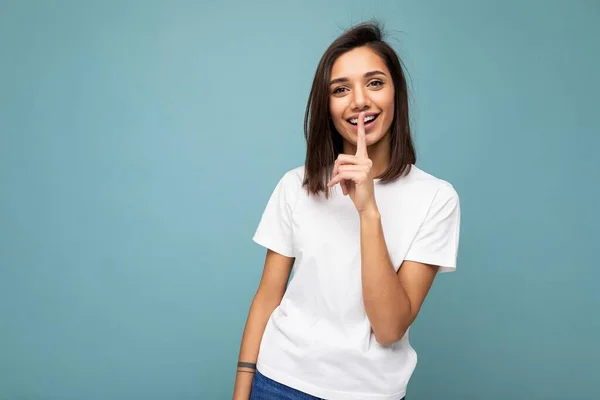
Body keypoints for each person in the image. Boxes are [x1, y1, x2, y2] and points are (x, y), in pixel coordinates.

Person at [232, 21, 461, 400]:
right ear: (327, 106)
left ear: (396, 94)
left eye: (374, 83)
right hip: (277, 384)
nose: (359, 101)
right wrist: (242, 391)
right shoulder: (297, 185)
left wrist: (368, 211)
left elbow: (389, 328)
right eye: (340, 89)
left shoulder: (437, 198)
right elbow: (267, 297)